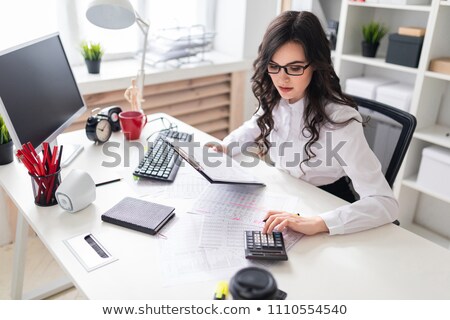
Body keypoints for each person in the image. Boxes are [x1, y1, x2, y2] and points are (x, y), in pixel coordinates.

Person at [211, 11, 398, 236]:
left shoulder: (341, 121)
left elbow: (385, 203)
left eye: (295, 68)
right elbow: (254, 126)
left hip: (328, 205)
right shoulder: (275, 98)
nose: (282, 78)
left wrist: (318, 223)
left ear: (315, 65)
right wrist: (226, 146)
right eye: (274, 66)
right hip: (286, 194)